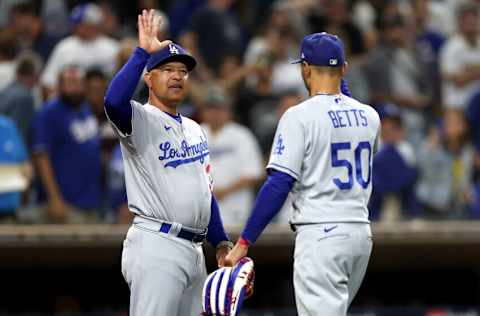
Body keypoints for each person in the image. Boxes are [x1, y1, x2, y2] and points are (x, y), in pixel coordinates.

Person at [224, 32, 381, 315]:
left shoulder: (299, 115)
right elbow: (342, 106)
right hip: (359, 235)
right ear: (344, 69)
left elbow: (279, 183)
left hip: (322, 234)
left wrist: (245, 241)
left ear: (305, 68)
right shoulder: (370, 115)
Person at [103, 10, 232, 316]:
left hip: (195, 251)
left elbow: (205, 192)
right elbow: (113, 102)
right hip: (157, 243)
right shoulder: (140, 118)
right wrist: (141, 53)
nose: (177, 75)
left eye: (182, 71)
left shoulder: (195, 128)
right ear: (149, 77)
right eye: (167, 69)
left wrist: (222, 242)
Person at [31, 65, 102, 224]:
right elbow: (41, 156)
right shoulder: (49, 113)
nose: (75, 87)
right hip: (65, 204)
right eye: (70, 82)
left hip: (90, 201)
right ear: (60, 86)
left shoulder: (85, 109)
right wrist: (54, 198)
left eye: (78, 82)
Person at [200, 85, 264, 225]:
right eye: (211, 108)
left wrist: (224, 191)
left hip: (236, 207)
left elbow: (254, 173)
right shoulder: (194, 133)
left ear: (228, 111)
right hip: (202, 208)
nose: (215, 113)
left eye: (219, 108)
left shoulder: (242, 134)